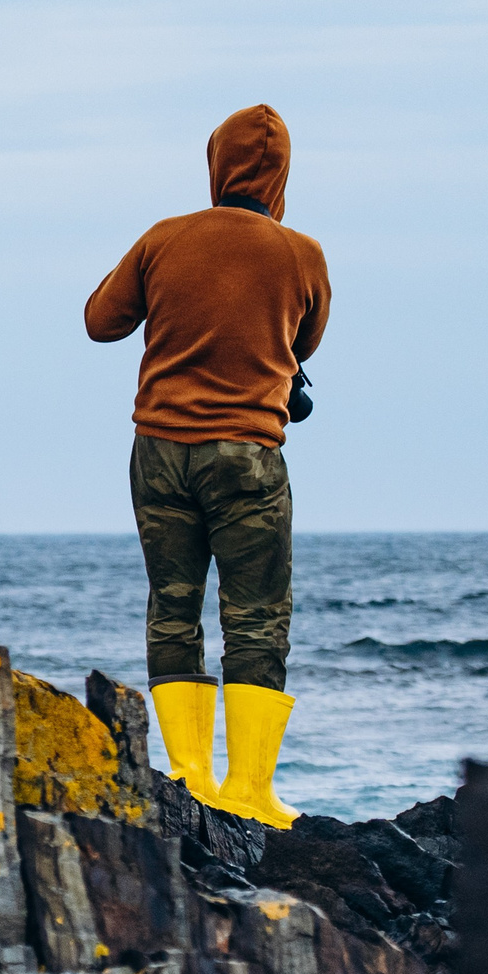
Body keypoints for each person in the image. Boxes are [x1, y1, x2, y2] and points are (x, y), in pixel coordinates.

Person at [83, 102, 328, 830]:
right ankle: (248, 789)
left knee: (173, 606)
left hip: (157, 451)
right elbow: (305, 344)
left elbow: (101, 321)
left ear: (216, 166)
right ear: (280, 176)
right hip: (247, 456)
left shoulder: (164, 238)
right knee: (255, 618)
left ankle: (188, 775)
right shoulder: (302, 253)